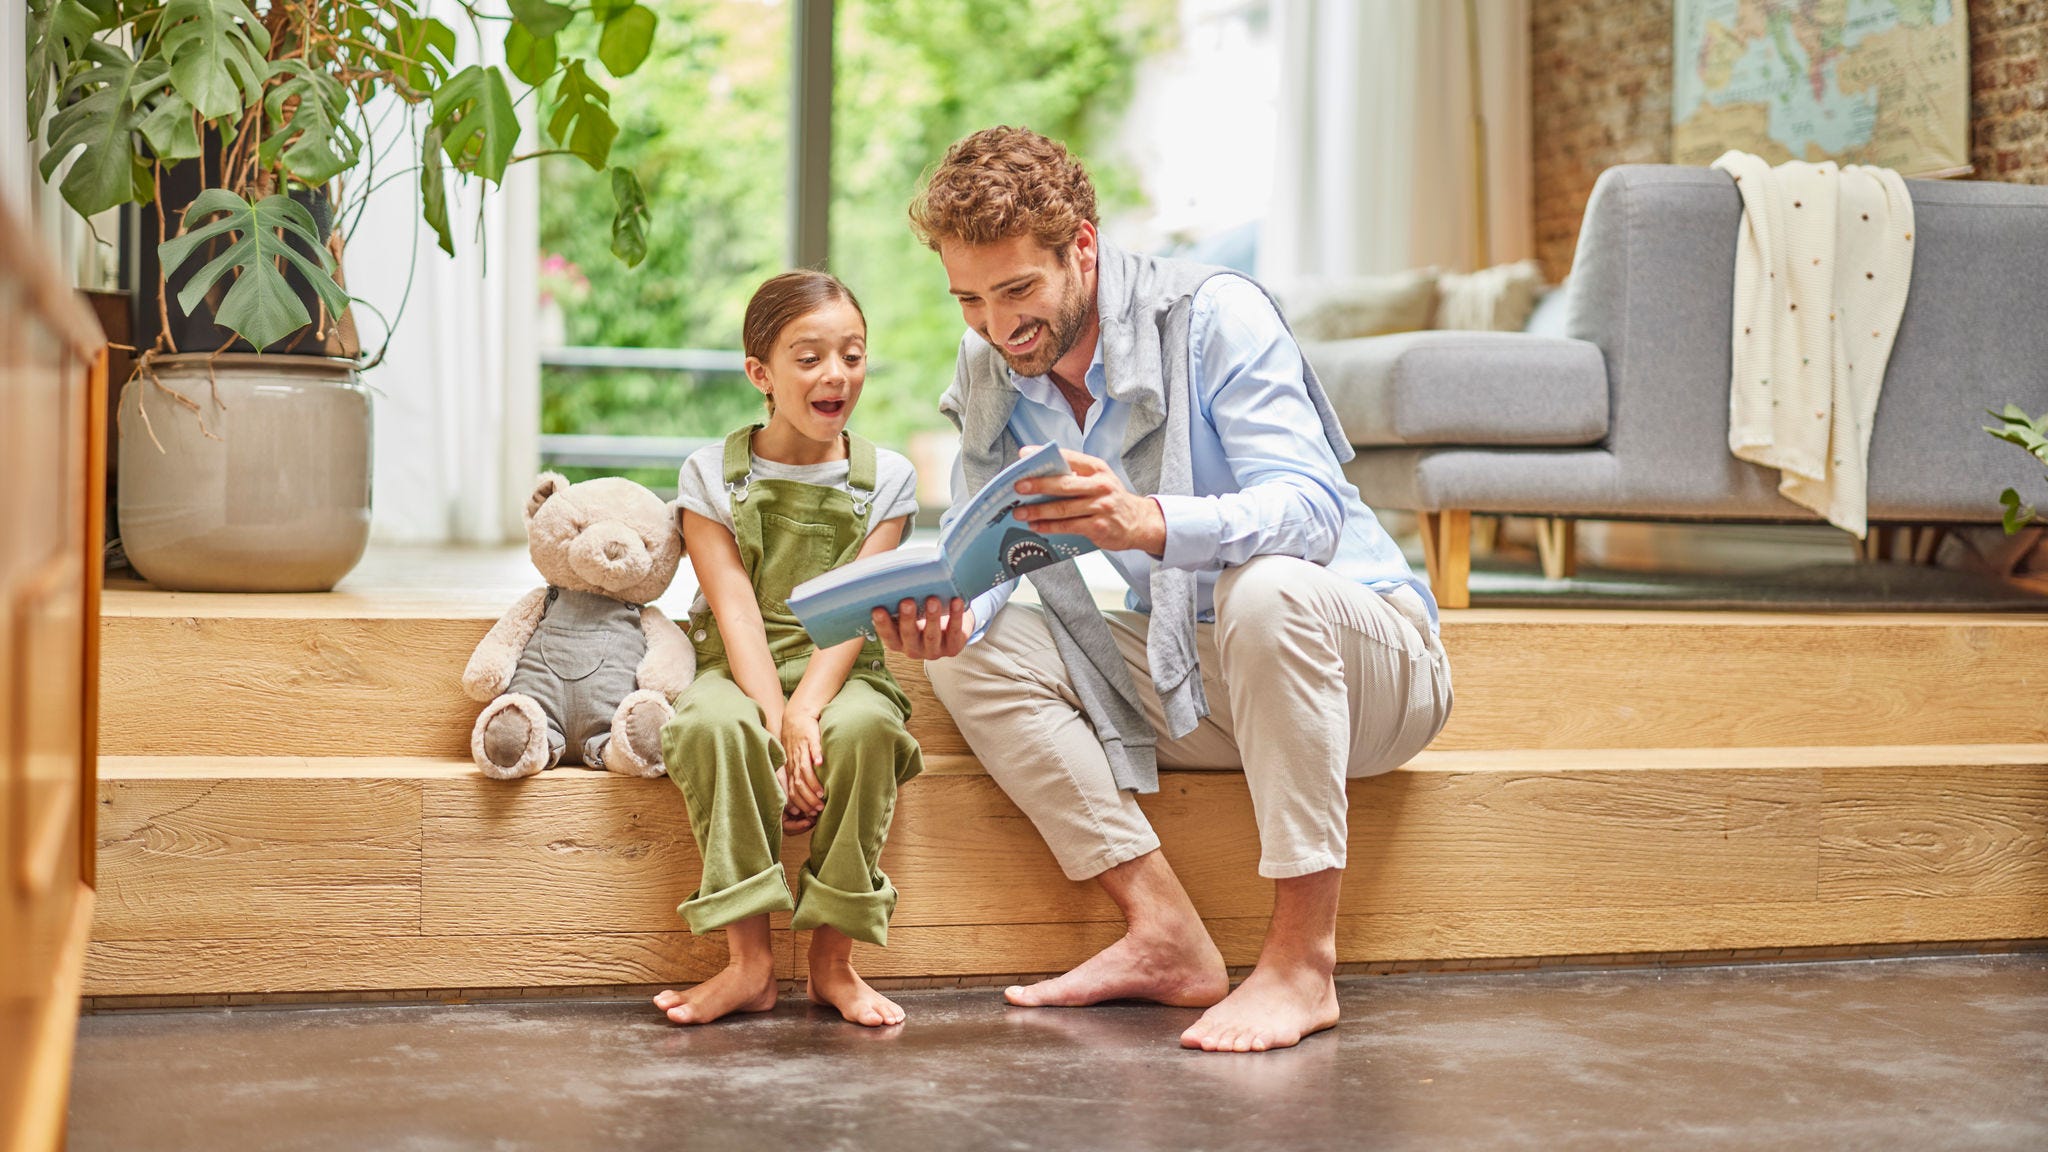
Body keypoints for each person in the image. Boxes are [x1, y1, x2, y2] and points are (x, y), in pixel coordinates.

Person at [875, 127, 1455, 1052]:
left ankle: (1303, 966)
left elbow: (1311, 512)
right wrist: (951, 609)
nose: (995, 324)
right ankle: (1166, 932)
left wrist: (1154, 521)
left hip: (1364, 666)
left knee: (1267, 591)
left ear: (1084, 247)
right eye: (971, 300)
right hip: (1206, 674)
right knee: (977, 651)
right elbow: (989, 544)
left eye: (1018, 289)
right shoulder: (993, 365)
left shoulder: (1215, 314)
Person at [653, 271, 925, 1028]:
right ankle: (749, 965)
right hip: (738, 664)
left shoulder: (889, 481)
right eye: (809, 357)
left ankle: (833, 965)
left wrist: (808, 713)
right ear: (760, 374)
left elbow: (855, 615)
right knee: (712, 727)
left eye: (853, 354)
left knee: (868, 730)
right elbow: (736, 611)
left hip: (843, 663)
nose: (836, 374)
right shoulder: (709, 475)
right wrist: (776, 725)